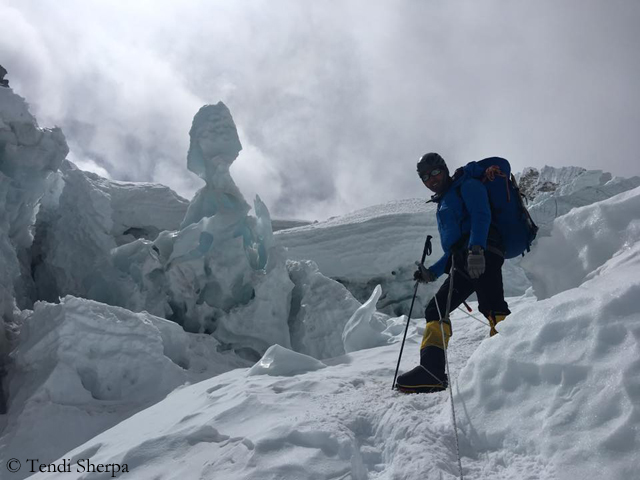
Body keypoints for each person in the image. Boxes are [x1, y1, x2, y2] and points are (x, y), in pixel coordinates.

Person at [395, 152, 511, 393]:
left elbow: (481, 215)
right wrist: (432, 273)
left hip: (483, 251)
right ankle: (432, 372)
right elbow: (453, 248)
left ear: (445, 170)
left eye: (435, 172)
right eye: (425, 176)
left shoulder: (467, 185)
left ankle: (511, 364)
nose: (431, 179)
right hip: (463, 257)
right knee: (436, 309)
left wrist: (477, 249)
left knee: (493, 307)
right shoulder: (446, 199)